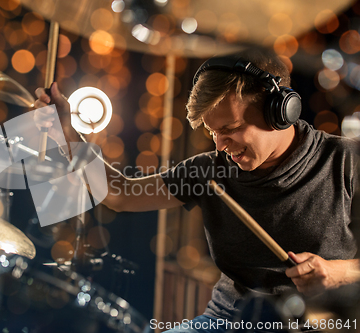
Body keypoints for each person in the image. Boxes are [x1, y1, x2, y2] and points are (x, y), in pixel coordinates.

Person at [33, 48, 360, 332]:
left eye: (230, 129)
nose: (220, 145)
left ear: (280, 112)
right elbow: (121, 194)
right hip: (227, 322)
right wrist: (69, 134)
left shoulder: (346, 162)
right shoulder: (212, 169)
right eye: (212, 131)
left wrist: (339, 272)